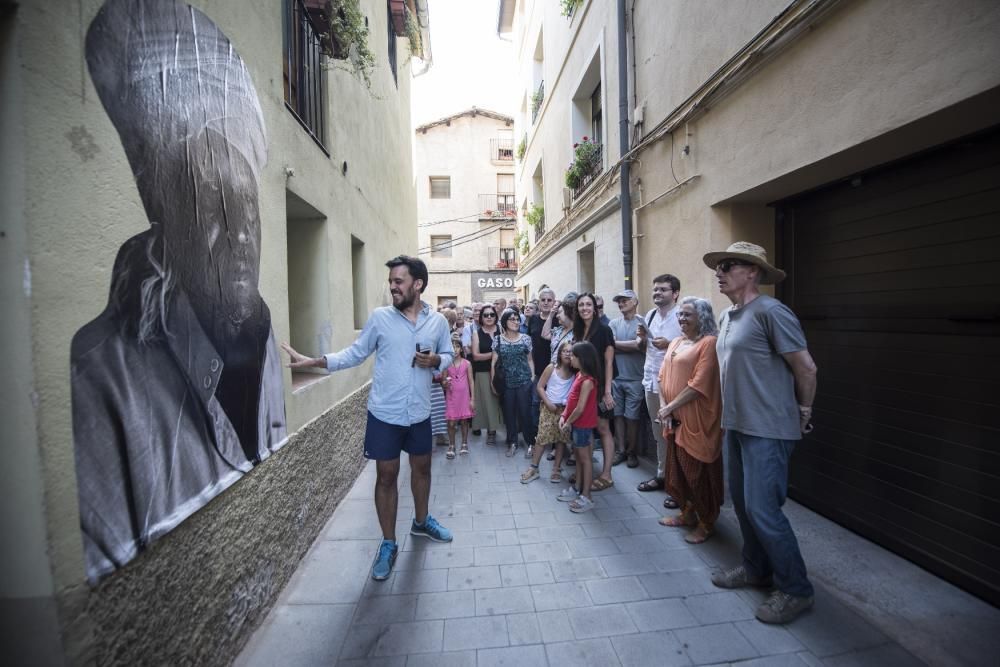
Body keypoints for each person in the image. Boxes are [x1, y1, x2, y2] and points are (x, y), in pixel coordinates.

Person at [70, 0, 286, 582]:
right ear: (165, 220)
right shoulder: (101, 382)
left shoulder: (266, 343)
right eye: (208, 202)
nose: (237, 230)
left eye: (245, 202)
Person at [282, 256, 454, 581]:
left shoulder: (438, 323)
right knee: (386, 477)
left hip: (419, 412)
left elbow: (449, 354)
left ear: (417, 284)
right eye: (391, 281)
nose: (392, 286)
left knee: (422, 469)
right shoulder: (380, 318)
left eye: (398, 281)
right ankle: (388, 543)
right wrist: (315, 361)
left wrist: (437, 361)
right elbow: (356, 353)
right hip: (384, 414)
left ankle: (421, 522)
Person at [703, 241, 818, 624]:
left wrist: (803, 410)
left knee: (764, 510)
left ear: (752, 271)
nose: (719, 272)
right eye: (718, 266)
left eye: (728, 265)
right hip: (736, 425)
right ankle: (756, 570)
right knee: (742, 504)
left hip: (769, 428)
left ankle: (796, 590)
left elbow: (806, 368)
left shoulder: (772, 311)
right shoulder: (726, 317)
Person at [656, 297, 723, 545]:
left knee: (698, 474)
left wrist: (670, 407)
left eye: (687, 315)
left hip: (696, 419)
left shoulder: (709, 343)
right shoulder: (676, 341)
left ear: (701, 317)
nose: (681, 319)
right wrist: (665, 408)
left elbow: (699, 384)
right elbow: (662, 376)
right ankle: (687, 514)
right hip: (673, 418)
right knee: (679, 471)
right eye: (680, 315)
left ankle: (706, 523)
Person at [636, 274, 682, 510]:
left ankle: (679, 485)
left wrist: (670, 343)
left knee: (676, 435)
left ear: (675, 293)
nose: (657, 293)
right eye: (655, 290)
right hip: (650, 380)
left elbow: (694, 345)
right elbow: (642, 348)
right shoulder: (650, 315)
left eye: (663, 290)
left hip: (674, 384)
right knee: (658, 432)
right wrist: (642, 339)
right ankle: (663, 475)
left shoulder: (682, 315)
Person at [573, 293, 617, 490]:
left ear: (595, 307)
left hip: (600, 386)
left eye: (588, 304)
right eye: (581, 305)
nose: (585, 308)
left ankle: (607, 475)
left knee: (603, 428)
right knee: (587, 426)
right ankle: (586, 470)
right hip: (584, 385)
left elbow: (609, 361)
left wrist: (607, 391)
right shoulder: (579, 329)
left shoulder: (604, 330)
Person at [556, 341, 601, 513]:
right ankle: (577, 488)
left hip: (582, 425)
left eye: (573, 356)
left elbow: (580, 407)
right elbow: (571, 400)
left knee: (585, 460)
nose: (570, 358)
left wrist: (568, 422)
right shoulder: (579, 376)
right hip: (576, 424)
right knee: (580, 459)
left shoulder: (588, 381)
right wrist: (563, 416)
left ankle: (587, 496)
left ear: (582, 358)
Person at [522, 339, 574, 484]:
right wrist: (548, 402)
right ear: (560, 353)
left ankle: (556, 469)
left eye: (571, 351)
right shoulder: (552, 368)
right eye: (565, 351)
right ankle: (534, 467)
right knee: (542, 437)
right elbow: (539, 386)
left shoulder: (575, 372)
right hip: (548, 407)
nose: (568, 354)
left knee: (561, 439)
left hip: (565, 410)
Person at [492, 309, 536, 457]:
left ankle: (530, 443)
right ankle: (512, 442)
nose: (516, 322)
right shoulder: (498, 339)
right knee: (509, 414)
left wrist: (532, 378)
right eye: (512, 319)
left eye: (518, 319)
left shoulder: (525, 338)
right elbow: (494, 363)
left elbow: (530, 360)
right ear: (504, 322)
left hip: (524, 381)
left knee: (525, 413)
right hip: (506, 383)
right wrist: (494, 383)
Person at [609, 289, 645, 469]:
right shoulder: (614, 323)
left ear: (634, 302)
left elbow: (639, 345)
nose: (621, 303)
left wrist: (615, 345)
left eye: (624, 300)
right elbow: (611, 345)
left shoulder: (642, 322)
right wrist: (630, 346)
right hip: (616, 377)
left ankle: (632, 451)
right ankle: (620, 450)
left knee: (632, 417)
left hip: (636, 378)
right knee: (617, 416)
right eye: (619, 301)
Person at [471, 305, 504, 445]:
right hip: (483, 372)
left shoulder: (502, 330)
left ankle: (509, 430)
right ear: (481, 318)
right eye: (486, 315)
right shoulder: (476, 333)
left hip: (503, 371)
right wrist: (494, 354)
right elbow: (476, 356)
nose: (489, 317)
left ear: (496, 316)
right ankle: (491, 432)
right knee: (489, 403)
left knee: (503, 402)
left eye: (492, 314)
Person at [527, 287, 556, 439]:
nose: (545, 303)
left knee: (553, 404)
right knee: (535, 403)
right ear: (538, 303)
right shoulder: (533, 319)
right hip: (537, 370)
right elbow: (528, 345)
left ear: (554, 302)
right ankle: (535, 438)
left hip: (554, 370)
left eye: (549, 300)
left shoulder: (558, 319)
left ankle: (553, 439)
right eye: (542, 300)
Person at [443, 339, 475, 458]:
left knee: (464, 421)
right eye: (452, 347)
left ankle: (464, 443)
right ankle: (451, 445)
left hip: (464, 397)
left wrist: (473, 399)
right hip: (451, 397)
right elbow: (443, 380)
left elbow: (471, 381)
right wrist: (445, 383)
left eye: (457, 347)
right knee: (451, 423)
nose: (455, 349)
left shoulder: (467, 363)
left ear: (461, 349)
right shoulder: (446, 364)